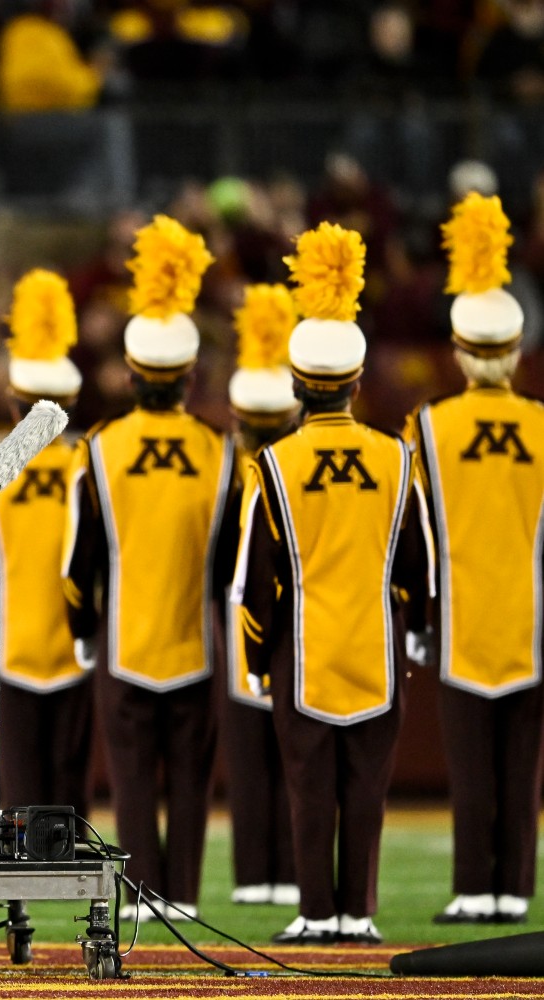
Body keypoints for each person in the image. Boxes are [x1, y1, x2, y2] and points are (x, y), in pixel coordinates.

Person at [236, 223, 432, 945]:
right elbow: (419, 564)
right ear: (355, 383)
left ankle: (317, 912)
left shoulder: (275, 464)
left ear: (295, 383)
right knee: (368, 792)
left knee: (309, 789)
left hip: (301, 651)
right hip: (378, 648)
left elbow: (257, 583)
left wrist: (258, 660)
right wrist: (416, 633)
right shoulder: (397, 457)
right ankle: (361, 913)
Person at [63, 215, 230, 922]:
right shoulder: (224, 452)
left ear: (130, 375)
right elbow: (233, 564)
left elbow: (81, 558)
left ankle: (140, 894)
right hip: (198, 645)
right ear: (191, 376)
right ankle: (184, 895)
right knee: (190, 779)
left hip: (125, 645)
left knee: (130, 777)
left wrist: (85, 629)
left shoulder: (99, 447)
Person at [407, 193, 544, 926]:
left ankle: (473, 888)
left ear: (459, 352)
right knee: (522, 773)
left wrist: (414, 621)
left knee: (471, 772)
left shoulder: (427, 427)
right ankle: (515, 888)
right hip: (530, 626)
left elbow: (412, 536)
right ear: (517, 351)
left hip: (457, 625)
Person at [0, 269, 91, 815]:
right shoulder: (87, 465)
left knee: (20, 783)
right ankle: (76, 864)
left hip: (11, 647)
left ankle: (23, 877)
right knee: (70, 778)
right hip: (76, 647)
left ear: (15, 403)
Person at [218, 284, 300, 908]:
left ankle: (261, 873)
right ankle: (281, 872)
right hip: (298, 620)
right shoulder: (249, 467)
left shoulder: (230, 466)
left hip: (246, 616)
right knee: (285, 750)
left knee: (260, 750)